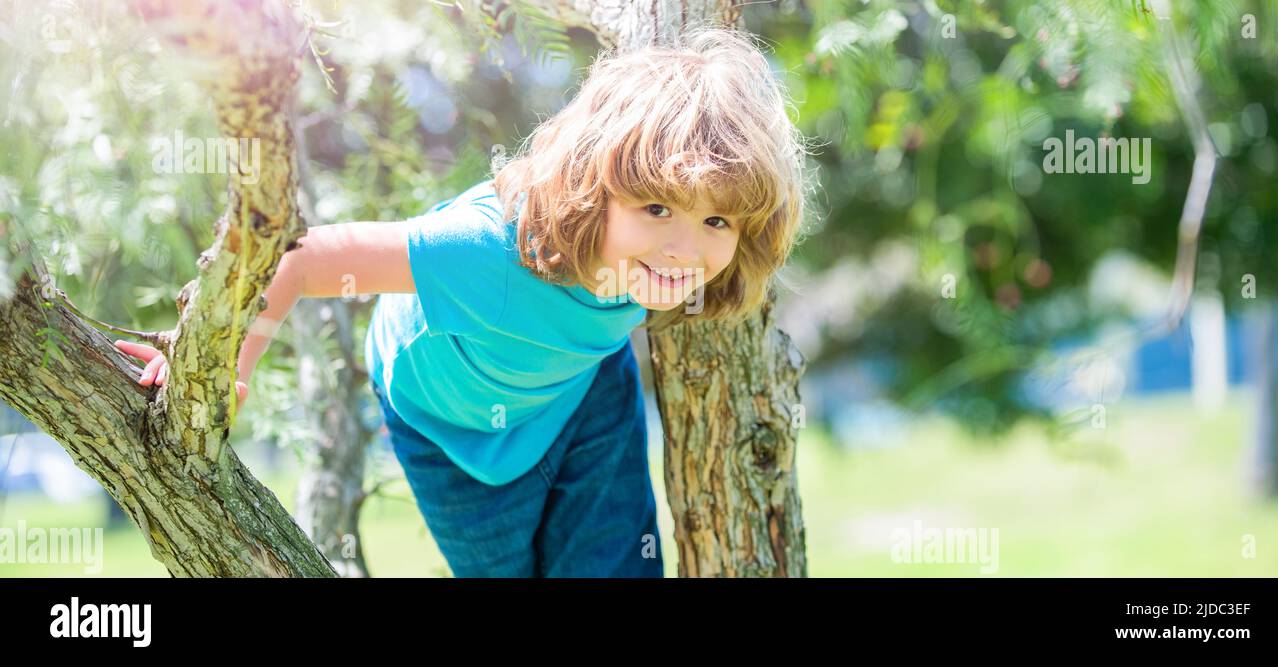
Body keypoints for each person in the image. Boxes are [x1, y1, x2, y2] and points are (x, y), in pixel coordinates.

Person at [117, 25, 815, 577]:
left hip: (582, 391)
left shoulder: (669, 270)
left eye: (716, 221)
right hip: (450, 430)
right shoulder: (484, 250)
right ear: (593, 184)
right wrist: (225, 366)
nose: (683, 250)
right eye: (658, 206)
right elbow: (300, 258)